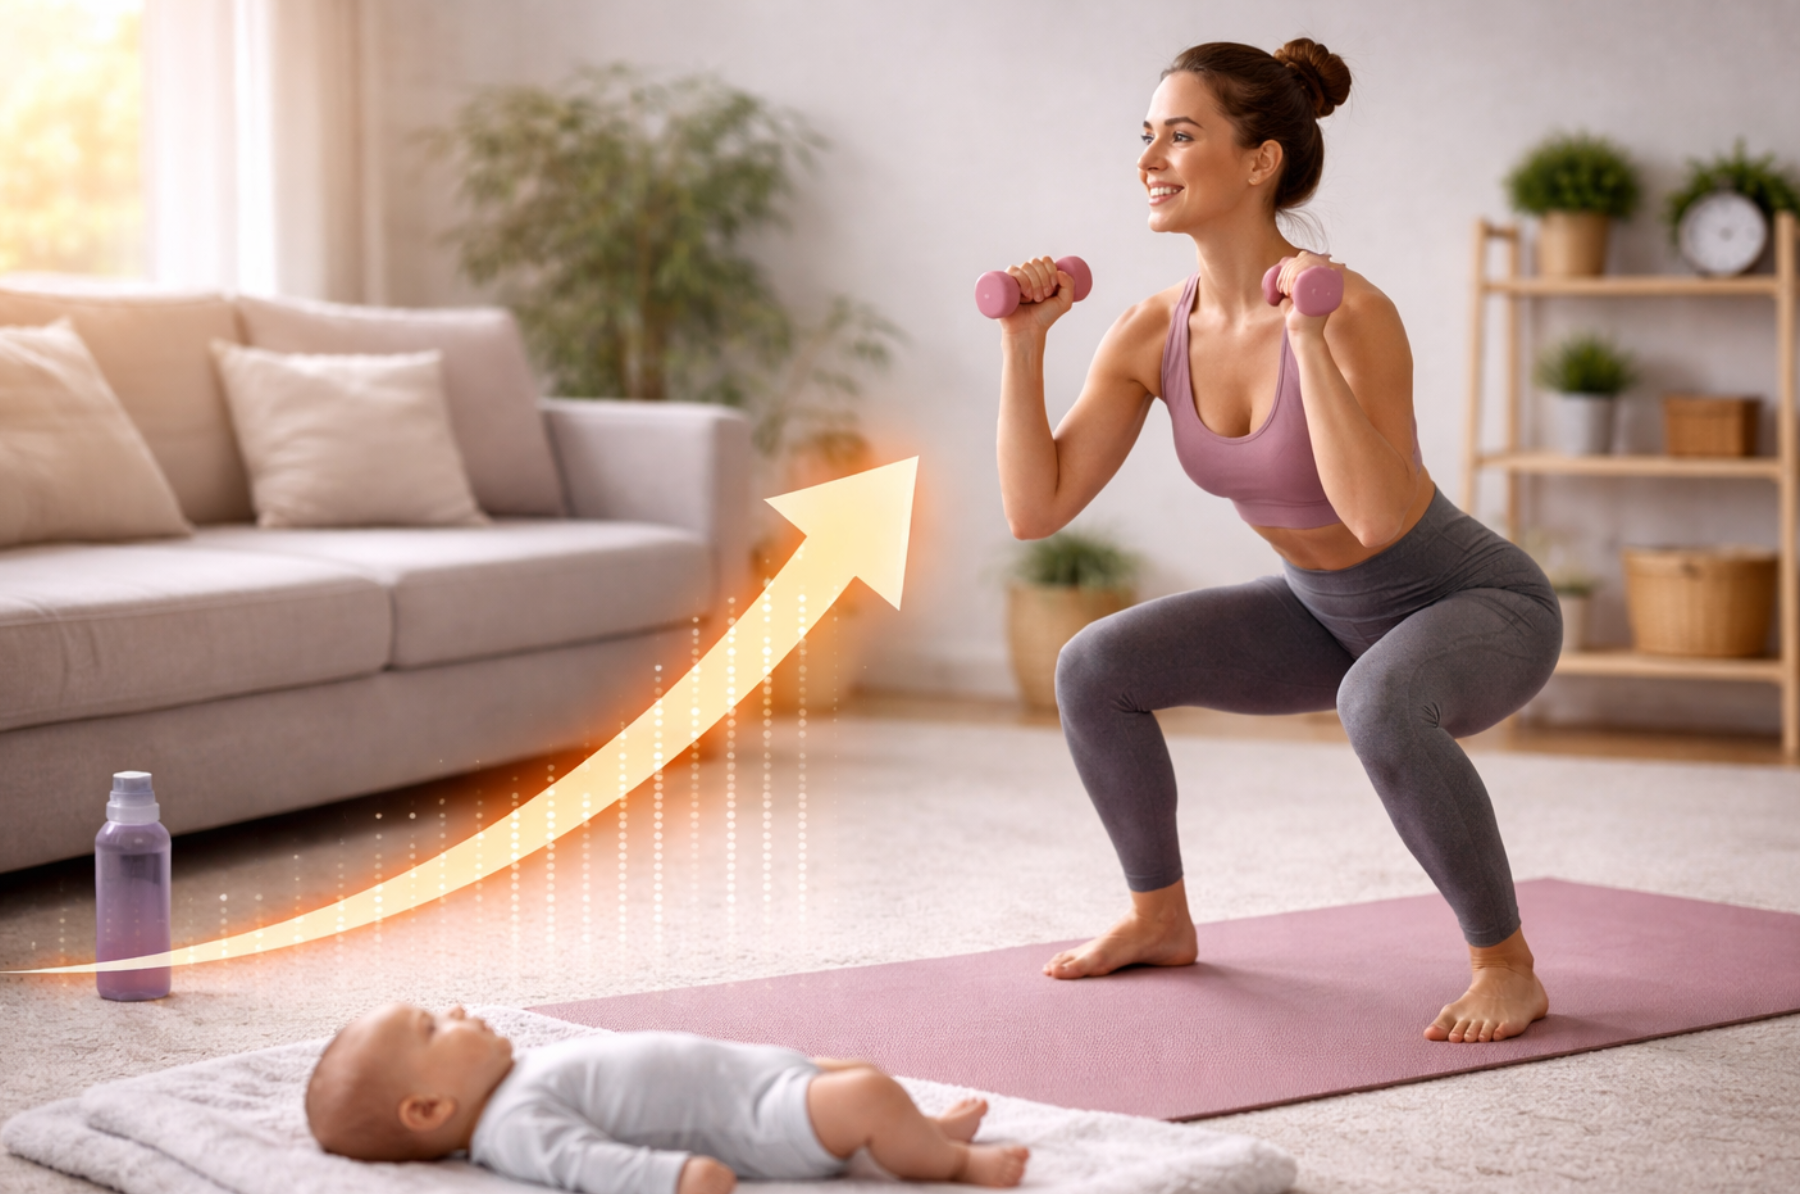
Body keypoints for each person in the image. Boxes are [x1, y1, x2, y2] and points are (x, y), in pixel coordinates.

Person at [993, 38, 1561, 1044]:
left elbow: (1380, 521)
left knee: (1377, 701)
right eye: (1145, 136)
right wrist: (1024, 346)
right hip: (1319, 612)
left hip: (1473, 607)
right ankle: (1158, 917)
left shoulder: (1353, 312)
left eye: (1181, 135)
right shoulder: (1149, 330)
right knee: (1093, 666)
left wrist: (1307, 340)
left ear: (1259, 162)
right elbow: (1037, 510)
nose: (1149, 160)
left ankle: (1505, 965)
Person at [304, 1003, 1029, 1194]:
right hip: (754, 1122)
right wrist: (674, 1180)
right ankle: (950, 1166)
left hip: (752, 1078)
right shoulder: (513, 1126)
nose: (457, 1009)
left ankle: (924, 1129)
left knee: (854, 1072)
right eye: (434, 1025)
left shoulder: (511, 1080)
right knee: (867, 1095)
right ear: (428, 1109)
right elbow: (591, 1164)